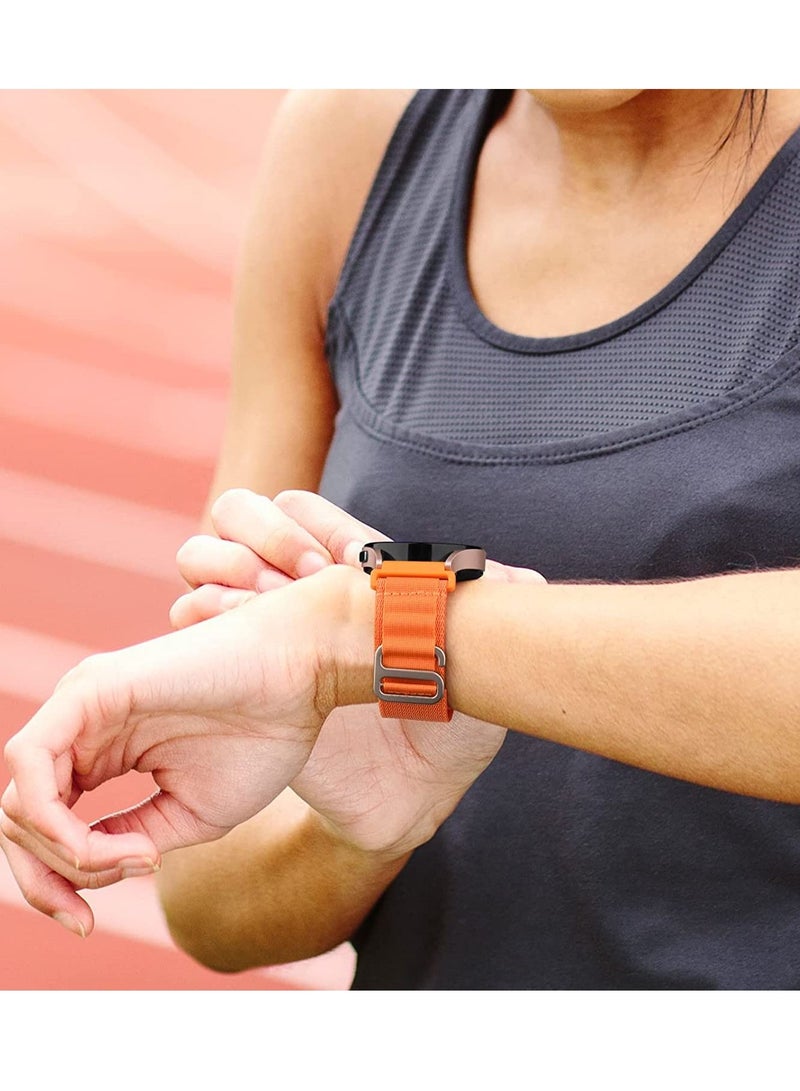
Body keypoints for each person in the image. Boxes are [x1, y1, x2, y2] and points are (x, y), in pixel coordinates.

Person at [4, 89, 800, 989]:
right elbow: (205, 899)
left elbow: (341, 634)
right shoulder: (350, 147)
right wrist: (355, 830)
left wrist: (373, 630)